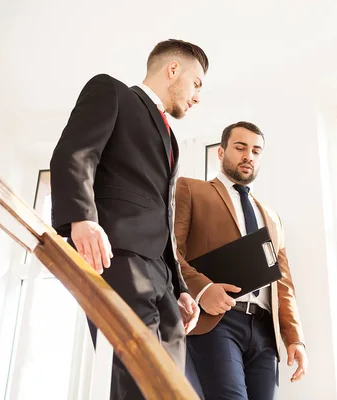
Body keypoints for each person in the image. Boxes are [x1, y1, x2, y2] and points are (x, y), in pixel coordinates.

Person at [50, 39, 209, 399]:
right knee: (135, 381)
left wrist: (181, 287)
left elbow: (164, 215)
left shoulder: (173, 141)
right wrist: (82, 219)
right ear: (172, 70)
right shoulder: (112, 92)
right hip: (117, 256)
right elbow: (74, 153)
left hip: (162, 276)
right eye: (196, 83)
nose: (198, 96)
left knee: (173, 386)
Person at [174, 121, 308, 399]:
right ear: (221, 153)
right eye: (240, 147)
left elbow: (283, 284)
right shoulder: (191, 189)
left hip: (264, 333)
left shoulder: (271, 217)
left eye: (256, 151)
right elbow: (170, 252)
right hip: (217, 322)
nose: (249, 155)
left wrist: (295, 339)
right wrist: (202, 289)